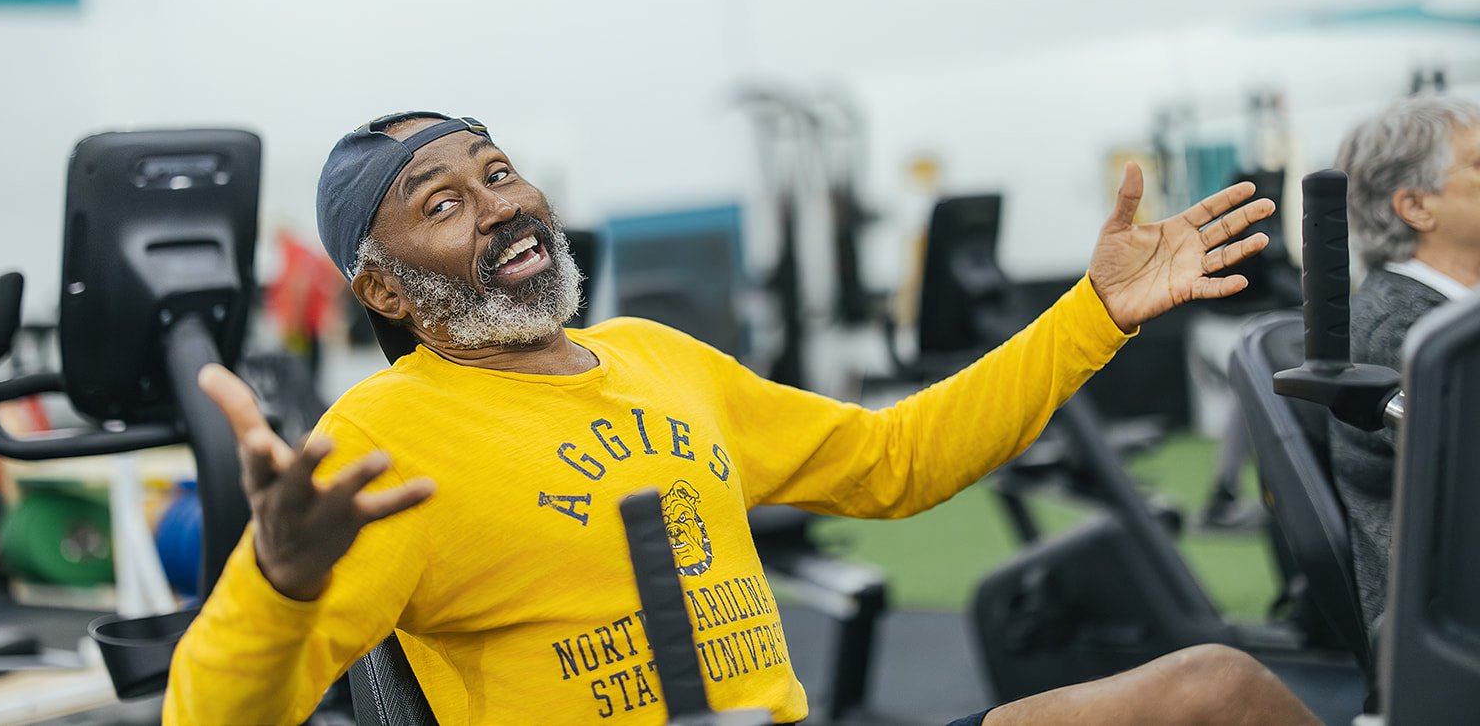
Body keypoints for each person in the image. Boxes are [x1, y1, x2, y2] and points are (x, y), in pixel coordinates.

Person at [166, 110, 1323, 726]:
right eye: (444, 201)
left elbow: (891, 460)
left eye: (498, 169)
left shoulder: (655, 356)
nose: (503, 203)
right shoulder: (381, 438)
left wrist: (1095, 312)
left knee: (1210, 693)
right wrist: (279, 581)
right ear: (381, 287)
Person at [1331, 94, 1480, 635]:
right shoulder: (1396, 328)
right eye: (1479, 165)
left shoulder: (1454, 315)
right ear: (1417, 207)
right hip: (1447, 614)